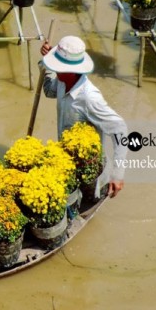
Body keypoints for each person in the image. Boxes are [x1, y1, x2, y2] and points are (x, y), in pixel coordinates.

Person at [40, 35, 127, 198]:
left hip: (89, 170)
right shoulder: (62, 80)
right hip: (66, 161)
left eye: (58, 67)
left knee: (86, 197)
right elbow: (48, 91)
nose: (56, 70)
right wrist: (46, 62)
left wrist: (118, 174)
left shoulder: (89, 98)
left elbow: (120, 129)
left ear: (72, 70)